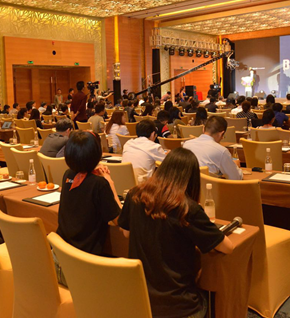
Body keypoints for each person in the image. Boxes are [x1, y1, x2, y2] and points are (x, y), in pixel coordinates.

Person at [118, 148, 233, 318]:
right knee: (211, 295)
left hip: (141, 300)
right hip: (179, 306)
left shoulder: (135, 194)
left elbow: (126, 233)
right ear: (192, 179)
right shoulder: (187, 208)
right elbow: (228, 248)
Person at [55, 131, 121, 284]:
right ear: (97, 154)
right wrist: (110, 183)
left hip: (59, 261)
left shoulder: (68, 174)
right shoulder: (99, 184)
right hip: (81, 270)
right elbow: (119, 220)